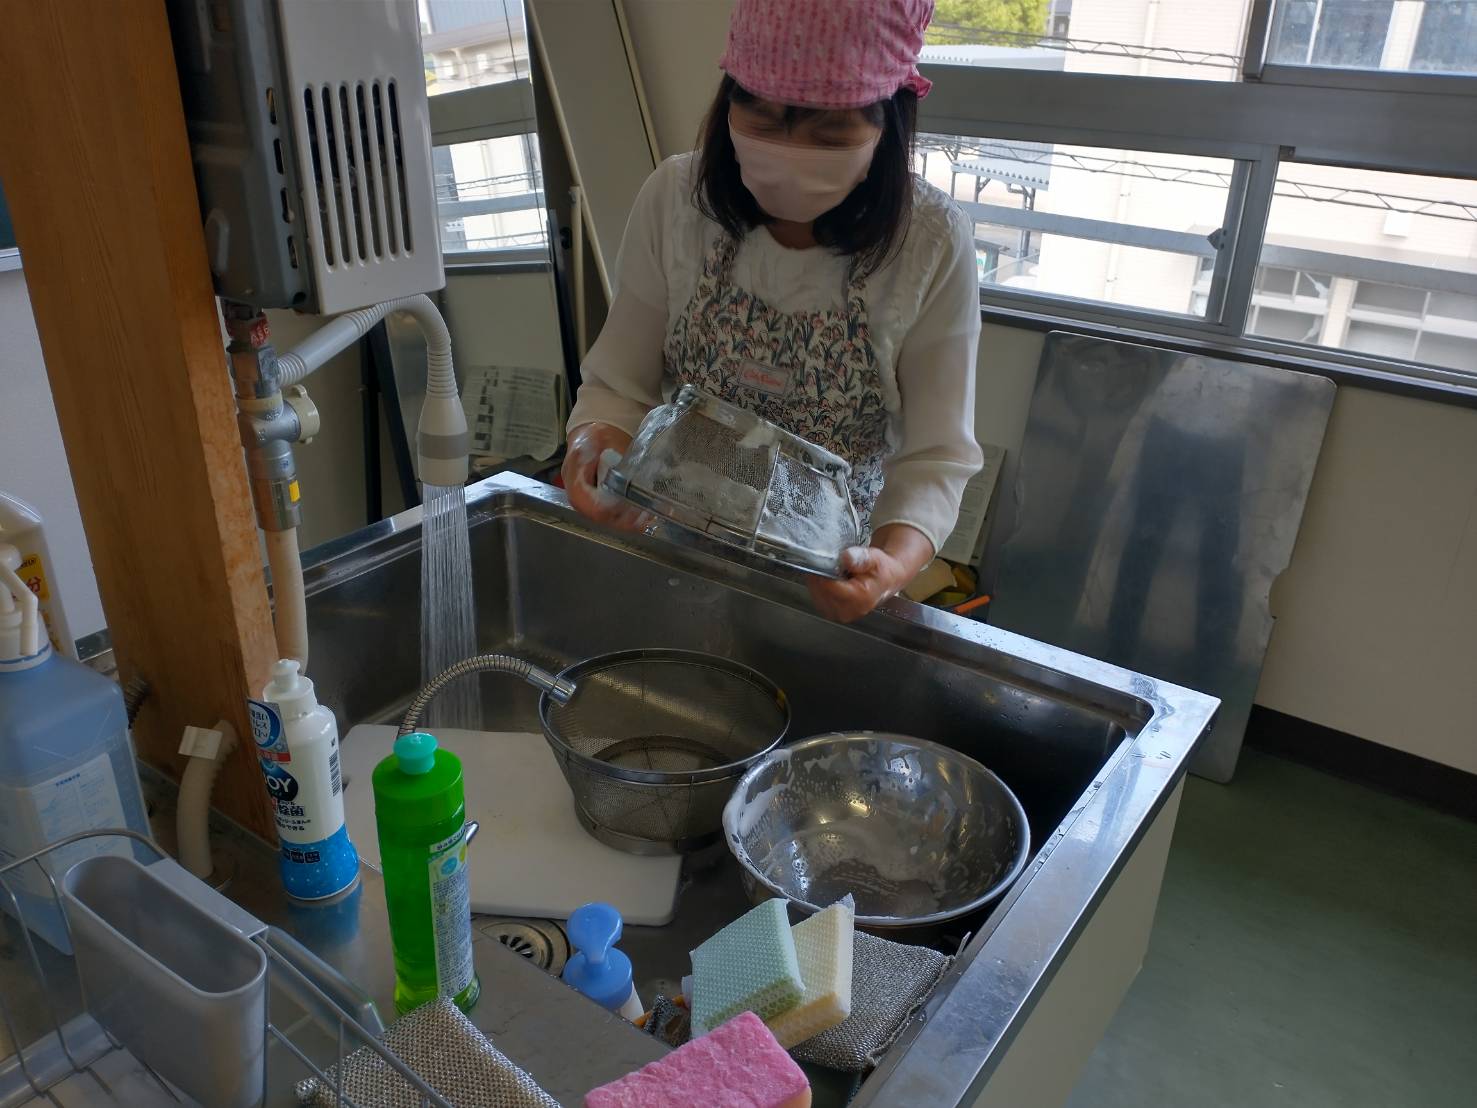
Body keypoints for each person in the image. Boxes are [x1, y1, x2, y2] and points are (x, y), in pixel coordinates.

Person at [562, 0, 983, 622]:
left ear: (889, 118)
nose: (789, 154)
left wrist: (890, 566)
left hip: (826, 582)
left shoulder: (929, 242)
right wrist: (592, 448)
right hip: (671, 557)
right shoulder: (676, 201)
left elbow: (934, 457)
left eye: (829, 134)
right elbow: (618, 388)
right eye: (760, 117)